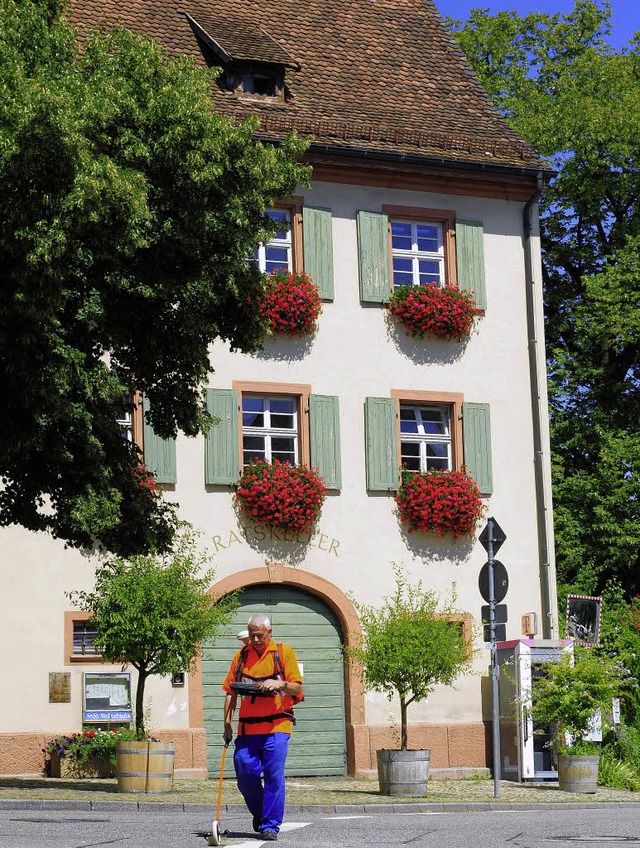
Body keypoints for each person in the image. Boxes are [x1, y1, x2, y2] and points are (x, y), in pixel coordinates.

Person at [222, 614, 303, 841]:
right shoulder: (240, 657)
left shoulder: (283, 653)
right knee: (244, 773)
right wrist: (227, 724)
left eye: (260, 635)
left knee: (273, 776)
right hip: (247, 730)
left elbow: (297, 689)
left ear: (270, 632)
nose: (256, 639)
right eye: (252, 635)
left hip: (277, 726)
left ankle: (270, 825)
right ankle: (260, 812)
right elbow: (231, 692)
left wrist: (280, 684)